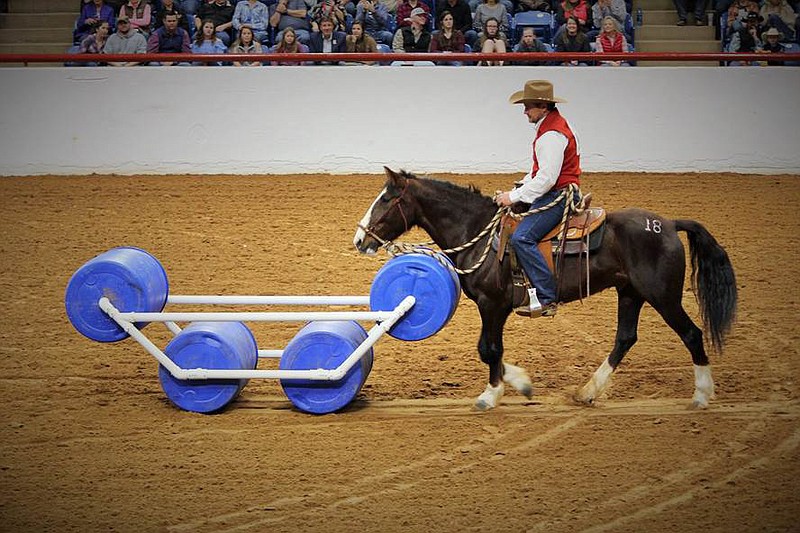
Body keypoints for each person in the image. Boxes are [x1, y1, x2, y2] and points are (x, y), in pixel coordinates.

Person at [494, 80, 582, 318]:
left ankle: (546, 296)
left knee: (522, 238)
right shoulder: (554, 126)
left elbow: (546, 179)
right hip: (560, 189)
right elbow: (538, 174)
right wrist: (520, 187)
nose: (525, 112)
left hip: (558, 195)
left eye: (528, 106)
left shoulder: (551, 135)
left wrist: (512, 196)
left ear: (543, 106)